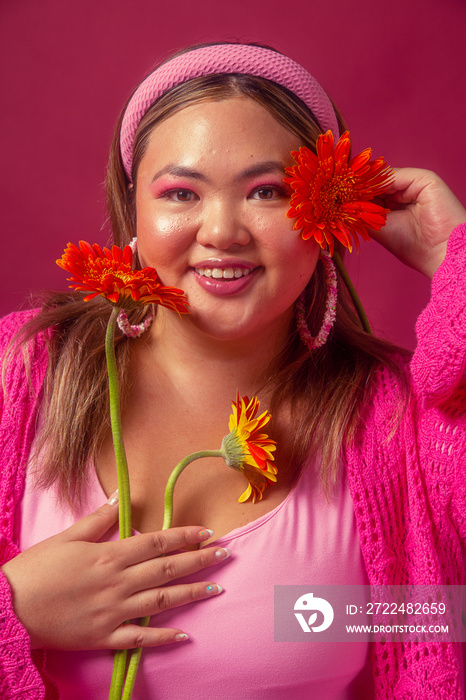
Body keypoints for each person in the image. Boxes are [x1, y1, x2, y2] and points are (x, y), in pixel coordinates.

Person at [0, 42, 465, 699]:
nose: (222, 231)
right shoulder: (18, 377)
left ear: (326, 216)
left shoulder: (396, 424)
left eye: (267, 191)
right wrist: (14, 607)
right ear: (134, 211)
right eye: (182, 192)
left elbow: (439, 620)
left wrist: (457, 261)